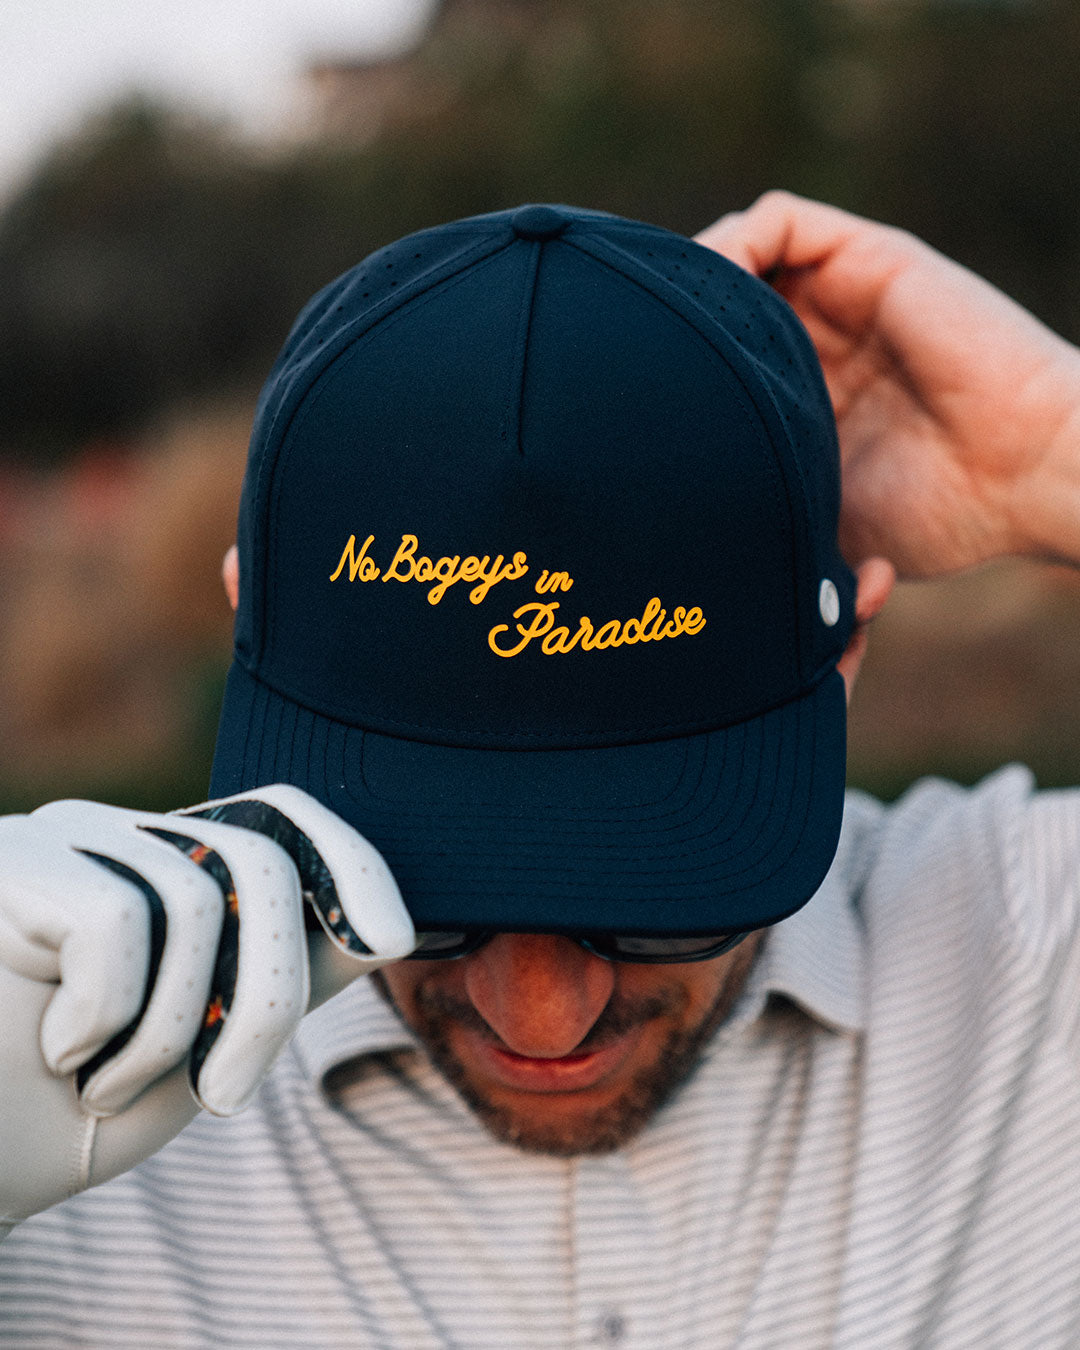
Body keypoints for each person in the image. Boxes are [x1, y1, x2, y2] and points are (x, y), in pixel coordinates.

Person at [2, 191, 1080, 1348]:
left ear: (846, 648)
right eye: (429, 891)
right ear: (248, 635)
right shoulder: (53, 1076)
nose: (543, 1019)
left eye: (656, 890)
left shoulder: (1035, 951)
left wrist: (1054, 452)